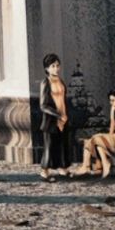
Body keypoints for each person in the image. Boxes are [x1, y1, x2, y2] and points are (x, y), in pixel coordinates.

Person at [72, 87, 115, 178]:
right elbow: (112, 126)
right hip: (114, 137)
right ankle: (105, 165)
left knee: (95, 137)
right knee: (96, 143)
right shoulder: (113, 108)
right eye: (110, 101)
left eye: (113, 100)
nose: (111, 103)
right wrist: (107, 140)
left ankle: (87, 166)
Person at [39, 53, 69, 181]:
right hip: (51, 120)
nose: (56, 68)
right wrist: (58, 114)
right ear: (47, 68)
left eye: (57, 65)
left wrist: (64, 115)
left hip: (63, 118)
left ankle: (63, 167)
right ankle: (44, 171)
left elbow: (63, 99)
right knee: (49, 146)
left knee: (62, 144)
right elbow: (43, 105)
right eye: (53, 66)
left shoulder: (61, 81)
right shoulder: (45, 83)